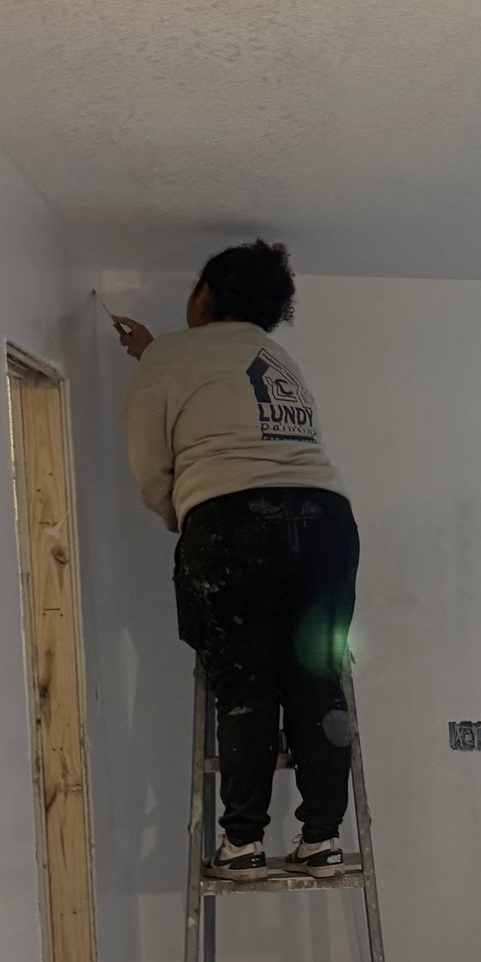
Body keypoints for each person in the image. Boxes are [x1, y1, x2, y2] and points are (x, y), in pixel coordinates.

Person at [115, 241, 359, 878]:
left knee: (244, 681)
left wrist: (184, 515)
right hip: (327, 520)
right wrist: (151, 351)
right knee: (316, 677)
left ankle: (243, 844)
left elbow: (149, 463)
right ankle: (323, 839)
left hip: (234, 526)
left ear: (203, 297)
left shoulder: (172, 354)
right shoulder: (278, 358)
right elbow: (220, 386)